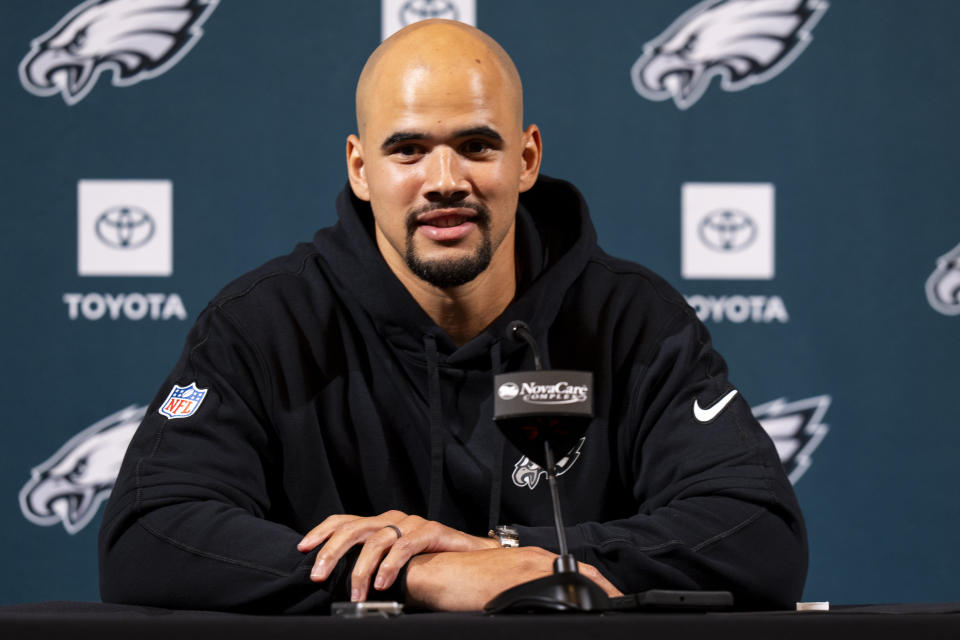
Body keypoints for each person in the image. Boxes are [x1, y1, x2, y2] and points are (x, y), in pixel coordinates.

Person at [98, 19, 807, 613]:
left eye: (476, 145)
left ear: (526, 158)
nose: (444, 182)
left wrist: (515, 560)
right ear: (359, 168)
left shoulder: (633, 318)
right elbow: (149, 533)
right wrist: (417, 573)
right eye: (408, 150)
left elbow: (757, 532)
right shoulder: (266, 323)